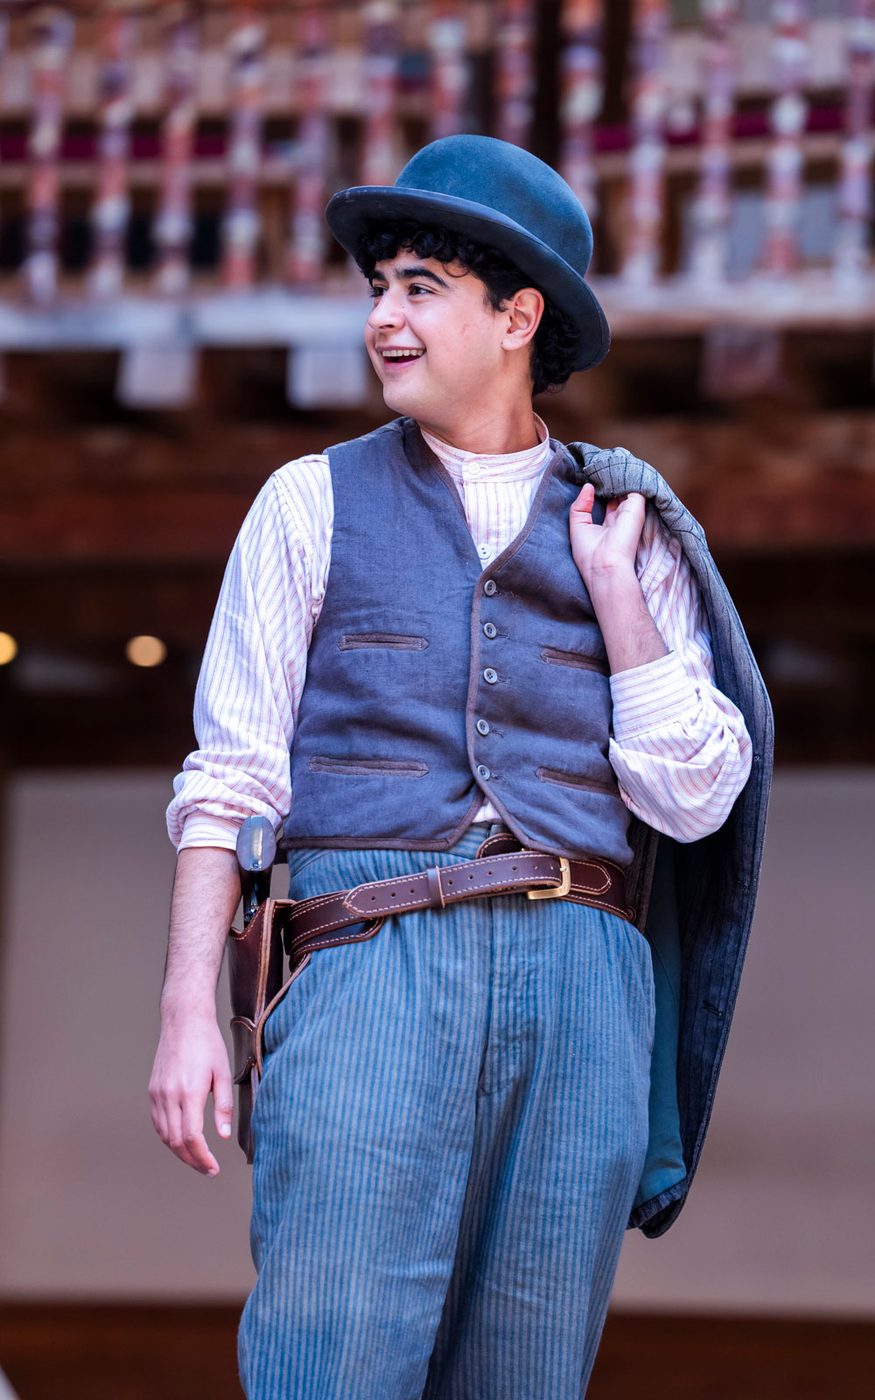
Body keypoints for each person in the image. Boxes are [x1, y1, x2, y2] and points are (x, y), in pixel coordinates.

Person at [150, 135, 771, 1399]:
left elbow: (695, 794)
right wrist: (183, 1010)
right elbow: (230, 781)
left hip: (581, 983)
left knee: (526, 1375)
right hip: (367, 957)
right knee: (328, 1363)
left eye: (420, 287)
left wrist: (616, 597)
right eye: (378, 286)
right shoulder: (306, 500)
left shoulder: (628, 525)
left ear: (515, 317)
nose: (382, 317)